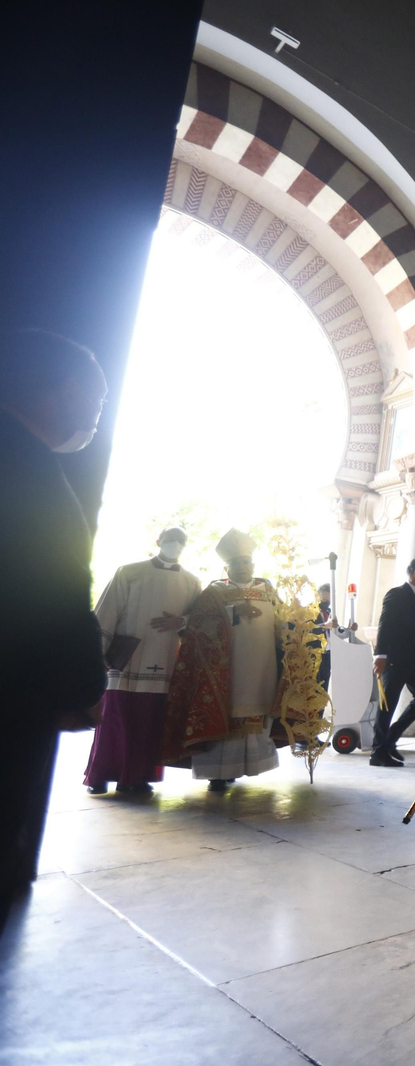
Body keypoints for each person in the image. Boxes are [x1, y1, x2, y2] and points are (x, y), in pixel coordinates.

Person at [0, 329, 109, 930]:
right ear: (61, 389)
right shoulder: (28, 469)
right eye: (94, 397)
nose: (96, 413)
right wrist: (80, 688)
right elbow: (57, 594)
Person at [163, 529, 284, 791]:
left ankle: (247, 767)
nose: (243, 566)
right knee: (226, 714)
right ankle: (218, 773)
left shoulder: (268, 588)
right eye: (237, 563)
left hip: (263, 665)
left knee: (258, 713)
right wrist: (233, 613)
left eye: (247, 562)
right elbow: (198, 624)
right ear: (227, 566)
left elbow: (284, 621)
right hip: (228, 669)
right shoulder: (215, 591)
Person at [83, 527, 201, 794]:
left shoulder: (192, 582)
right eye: (170, 539)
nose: (175, 544)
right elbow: (107, 611)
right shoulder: (130, 572)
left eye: (181, 541)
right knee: (113, 719)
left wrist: (181, 621)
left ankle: (134, 779)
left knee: (149, 723)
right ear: (158, 542)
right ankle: (99, 777)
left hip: (164, 659)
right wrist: (97, 654)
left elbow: (201, 619)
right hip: (125, 659)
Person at [369, 558, 415, 767]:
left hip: (413, 659)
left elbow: (414, 632)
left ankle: (391, 736)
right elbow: (385, 624)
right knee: (388, 704)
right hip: (395, 659)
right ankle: (378, 752)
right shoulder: (396, 594)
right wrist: (380, 656)